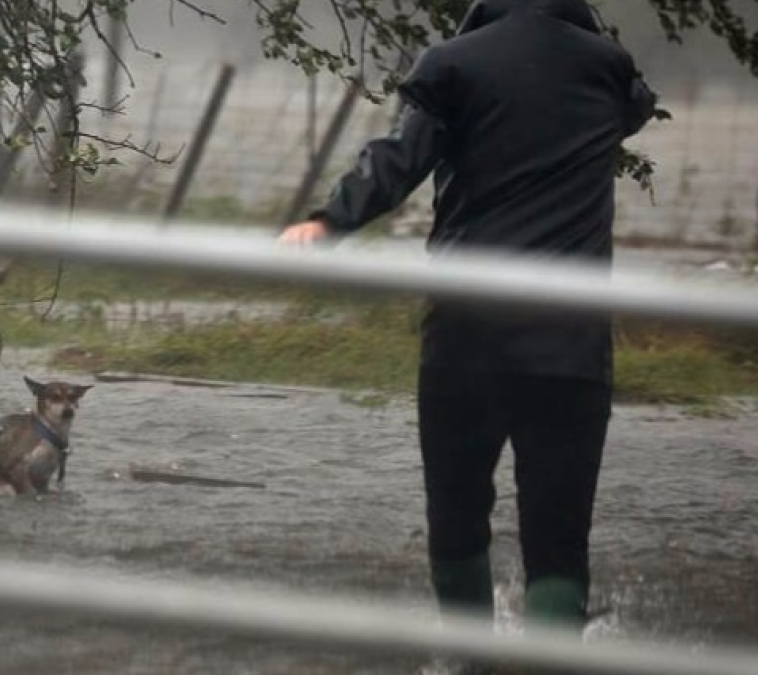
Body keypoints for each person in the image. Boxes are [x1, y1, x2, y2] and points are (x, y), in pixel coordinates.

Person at [279, 0, 658, 633]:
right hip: (570, 340)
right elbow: (636, 107)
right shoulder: (606, 67)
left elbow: (398, 159)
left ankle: (464, 661)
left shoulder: (453, 66)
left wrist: (328, 222)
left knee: (456, 518)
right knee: (558, 537)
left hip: (466, 334)